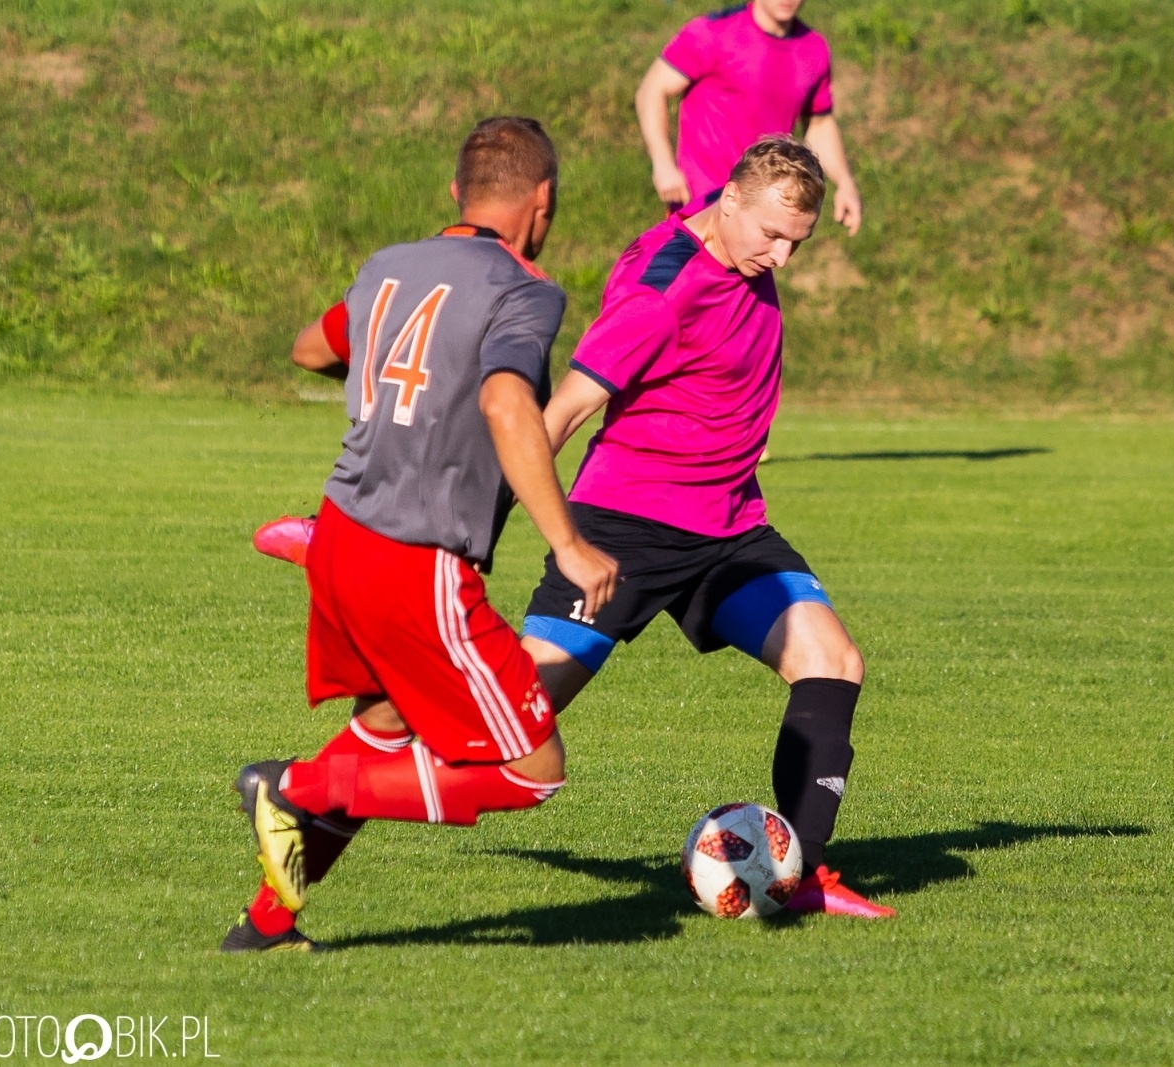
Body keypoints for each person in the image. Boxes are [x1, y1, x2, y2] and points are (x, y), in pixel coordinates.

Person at [221, 117, 618, 952]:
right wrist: (571, 546)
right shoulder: (524, 288)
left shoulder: (386, 268)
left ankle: (267, 922)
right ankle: (293, 784)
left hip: (340, 536)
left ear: (455, 196)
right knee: (530, 772)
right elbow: (508, 404)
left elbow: (307, 349)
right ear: (542, 201)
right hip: (415, 557)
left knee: (387, 728)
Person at [520, 135, 893, 919]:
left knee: (833, 661)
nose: (783, 258)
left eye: (799, 241)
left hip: (729, 527)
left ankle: (806, 879)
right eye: (771, 235)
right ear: (726, 200)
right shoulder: (664, 289)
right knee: (512, 724)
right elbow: (559, 415)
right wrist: (477, 531)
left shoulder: (741, 251)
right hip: (626, 528)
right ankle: (316, 789)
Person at [635, 0, 862, 236]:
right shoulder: (713, 32)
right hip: (699, 208)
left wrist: (845, 183)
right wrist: (663, 165)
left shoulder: (814, 49)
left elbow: (820, 123)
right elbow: (652, 90)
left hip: (761, 215)